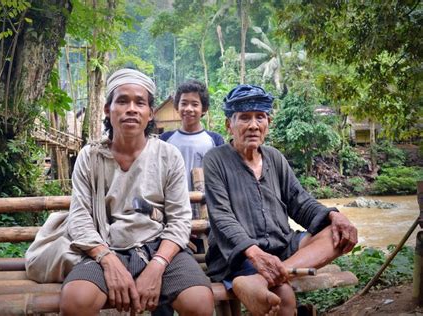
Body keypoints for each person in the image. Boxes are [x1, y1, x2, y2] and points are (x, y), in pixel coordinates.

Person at [45, 69, 214, 315]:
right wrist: (108, 260)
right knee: (76, 301)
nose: (131, 109)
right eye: (122, 101)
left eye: (140, 102)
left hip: (159, 247)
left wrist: (157, 266)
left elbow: (179, 220)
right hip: (105, 246)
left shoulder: (167, 155)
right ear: (107, 109)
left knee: (199, 302)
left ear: (150, 113)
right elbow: (79, 217)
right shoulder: (90, 157)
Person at [203, 84, 358, 316]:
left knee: (335, 235)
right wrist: (254, 253)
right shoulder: (216, 159)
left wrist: (335, 215)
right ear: (229, 124)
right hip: (238, 253)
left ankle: (262, 278)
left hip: (281, 246)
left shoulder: (275, 157)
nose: (253, 125)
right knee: (283, 298)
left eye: (260, 117)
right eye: (244, 118)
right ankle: (263, 277)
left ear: (268, 123)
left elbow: (300, 202)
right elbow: (222, 217)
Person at [160, 80, 224, 219]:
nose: (189, 108)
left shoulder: (215, 140)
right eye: (184, 103)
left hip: (206, 212)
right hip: (172, 212)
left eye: (195, 104)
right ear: (177, 107)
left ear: (204, 109)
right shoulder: (165, 140)